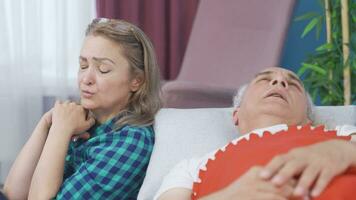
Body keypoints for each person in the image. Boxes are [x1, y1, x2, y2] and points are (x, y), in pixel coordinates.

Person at [3, 18, 162, 199]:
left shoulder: (131, 141)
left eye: (103, 69)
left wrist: (60, 131)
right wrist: (46, 124)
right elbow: (12, 193)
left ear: (137, 81)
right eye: (83, 66)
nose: (86, 79)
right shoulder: (80, 122)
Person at [155, 67, 356, 200]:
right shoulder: (191, 168)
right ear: (236, 114)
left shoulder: (342, 135)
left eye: (293, 84)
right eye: (265, 80)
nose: (279, 82)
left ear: (308, 119)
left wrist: (343, 151)